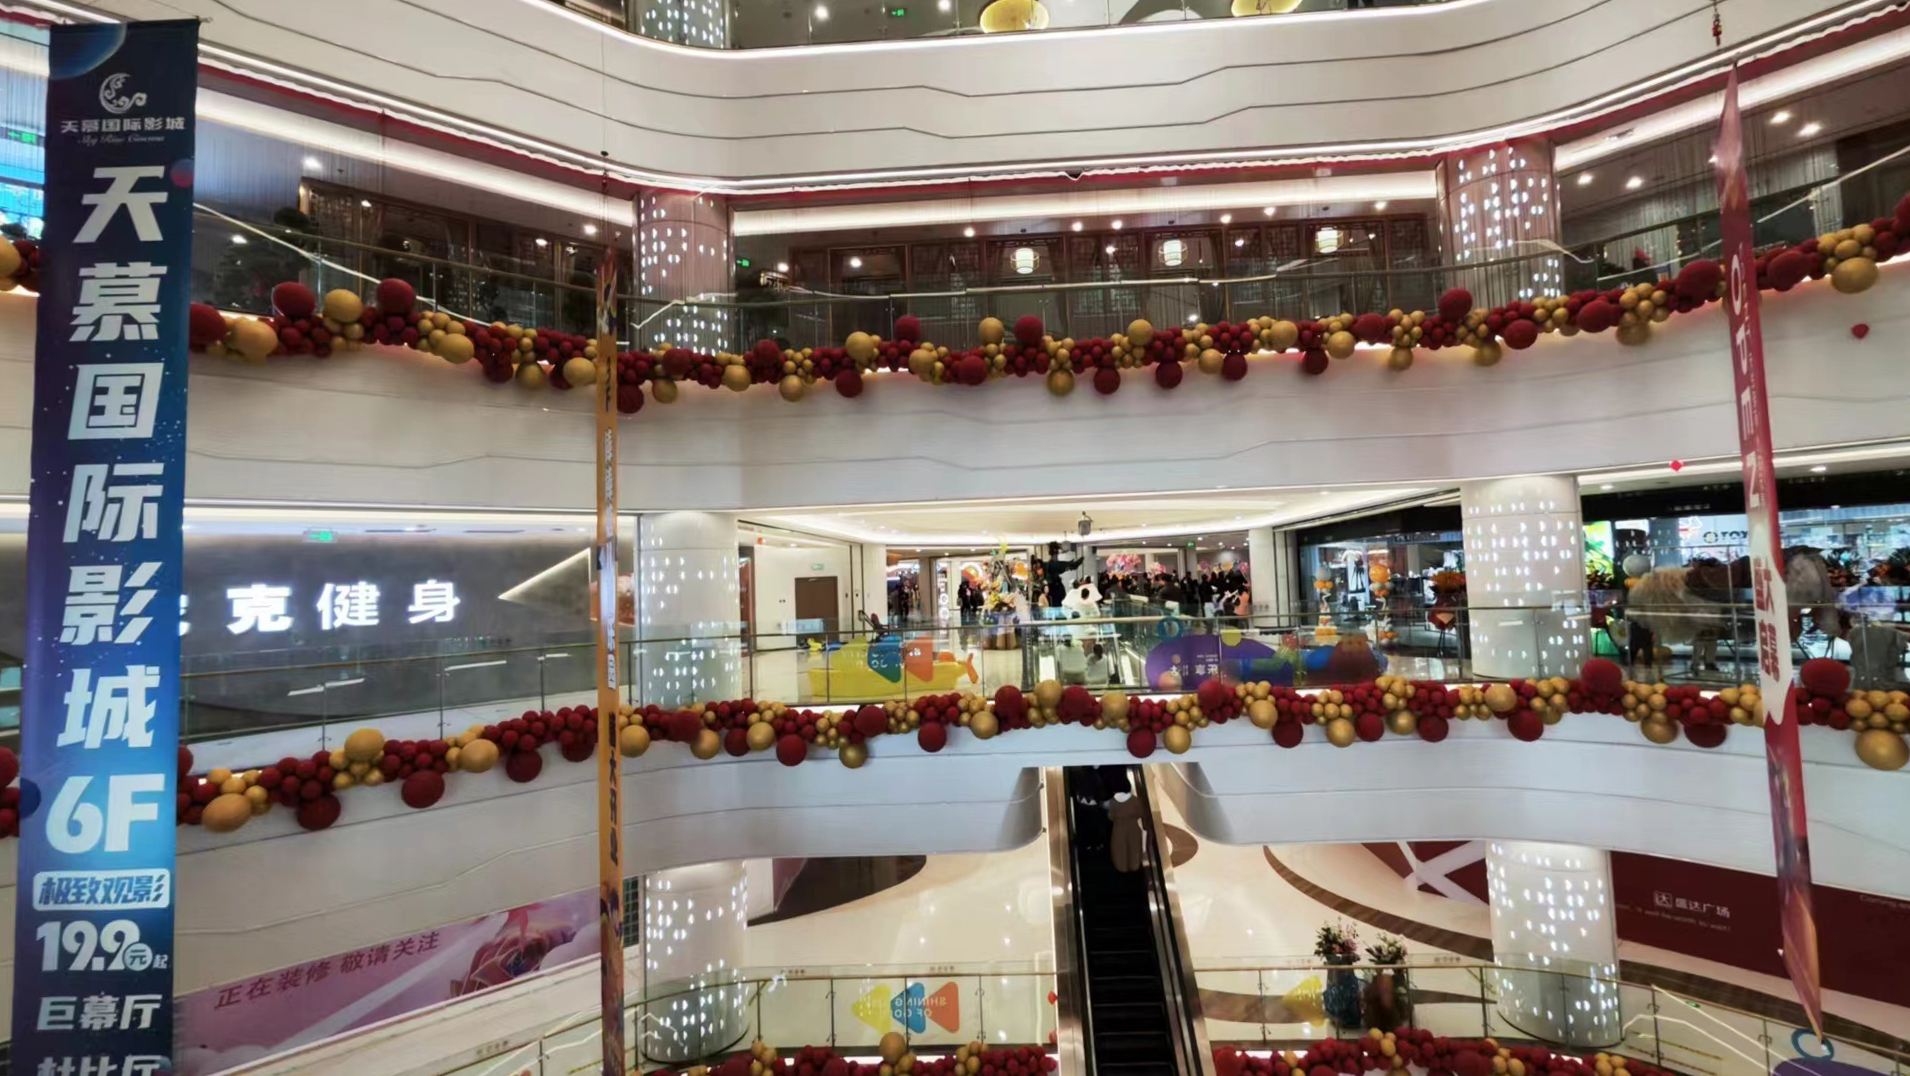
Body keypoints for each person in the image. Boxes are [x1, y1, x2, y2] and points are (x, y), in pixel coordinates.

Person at [1037, 541, 1082, 609]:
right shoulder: (1053, 565)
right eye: (1056, 555)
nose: (1057, 557)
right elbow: (1065, 566)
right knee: (1056, 605)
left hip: (1053, 589)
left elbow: (1065, 566)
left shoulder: (1048, 565)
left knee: (1054, 606)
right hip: (1055, 589)